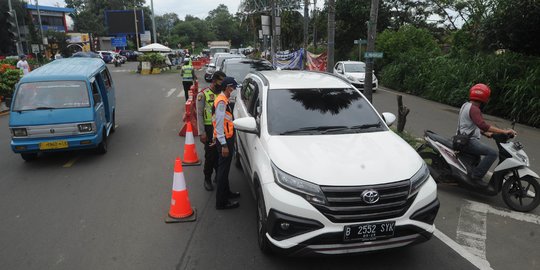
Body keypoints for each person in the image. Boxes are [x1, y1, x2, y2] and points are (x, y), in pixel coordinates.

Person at [458, 83, 516, 182]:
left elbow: (469, 125)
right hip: (468, 142)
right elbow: (482, 125)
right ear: (484, 97)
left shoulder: (466, 105)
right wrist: (504, 131)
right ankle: (476, 176)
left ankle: (472, 173)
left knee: (479, 159)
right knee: (492, 153)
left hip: (462, 138)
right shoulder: (474, 109)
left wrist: (487, 134)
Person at [212, 77, 240, 210]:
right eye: (233, 88)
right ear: (228, 87)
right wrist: (223, 144)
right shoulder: (221, 102)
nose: (234, 90)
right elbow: (218, 124)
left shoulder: (223, 99)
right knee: (223, 172)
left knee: (225, 170)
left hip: (225, 138)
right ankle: (221, 202)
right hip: (224, 141)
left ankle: (227, 193)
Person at [196, 71, 226, 191]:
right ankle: (207, 178)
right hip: (208, 129)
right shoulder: (203, 94)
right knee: (210, 155)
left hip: (220, 128)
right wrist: (201, 132)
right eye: (220, 81)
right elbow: (199, 114)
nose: (222, 84)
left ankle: (218, 176)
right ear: (214, 81)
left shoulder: (222, 94)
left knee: (220, 155)